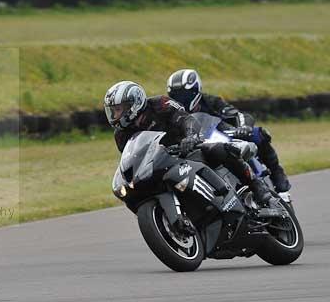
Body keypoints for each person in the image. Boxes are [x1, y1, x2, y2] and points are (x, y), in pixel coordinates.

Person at [104, 80, 273, 206]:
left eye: (118, 109)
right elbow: (133, 156)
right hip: (161, 161)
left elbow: (186, 118)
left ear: (134, 104)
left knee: (218, 149)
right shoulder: (121, 135)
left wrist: (190, 136)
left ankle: (256, 185)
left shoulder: (160, 104)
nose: (115, 115)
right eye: (113, 111)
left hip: (187, 146)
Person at [166, 69, 291, 200]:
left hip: (223, 135)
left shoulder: (211, 102)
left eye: (185, 95)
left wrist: (244, 127)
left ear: (196, 91)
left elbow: (238, 115)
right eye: (176, 96)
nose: (182, 100)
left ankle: (279, 181)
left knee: (258, 134)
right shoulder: (172, 111)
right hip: (196, 145)